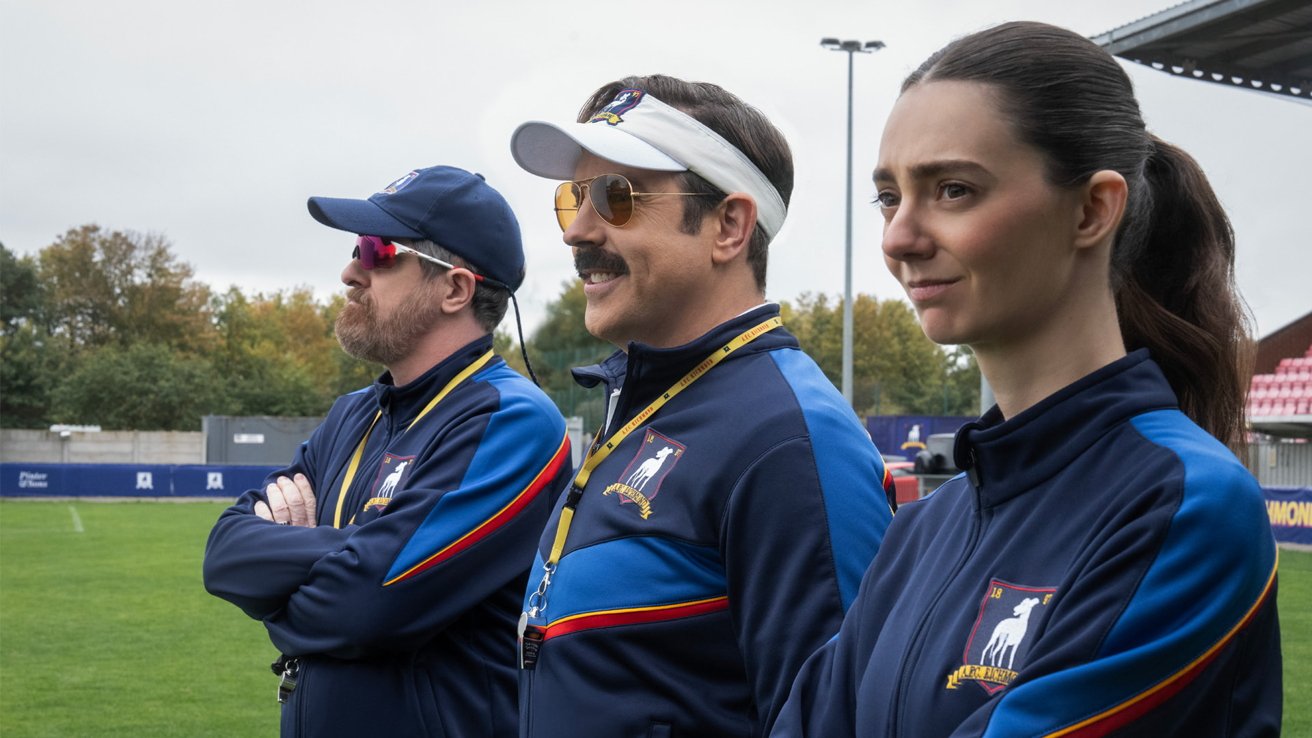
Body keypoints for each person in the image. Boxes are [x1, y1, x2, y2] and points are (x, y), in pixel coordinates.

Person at [773, 21, 1282, 737]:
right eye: (889, 196)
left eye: (952, 190)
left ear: (1092, 210)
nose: (897, 237)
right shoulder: (919, 532)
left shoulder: (1185, 505)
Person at [508, 75, 895, 738]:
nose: (579, 230)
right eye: (574, 198)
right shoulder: (645, 401)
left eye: (616, 197)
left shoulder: (791, 441)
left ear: (729, 226)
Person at [202, 165, 574, 737]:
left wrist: (285, 582)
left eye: (378, 251)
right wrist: (350, 552)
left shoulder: (510, 419)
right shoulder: (353, 412)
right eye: (357, 248)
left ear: (455, 288)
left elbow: (362, 609)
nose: (351, 271)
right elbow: (225, 554)